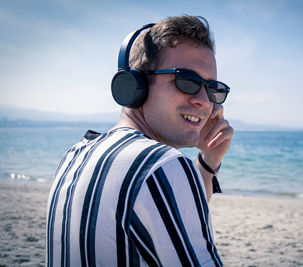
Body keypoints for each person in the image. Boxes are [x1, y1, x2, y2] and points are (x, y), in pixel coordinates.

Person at [46, 15, 233, 266]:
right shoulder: (161, 166)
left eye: (213, 89)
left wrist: (209, 161)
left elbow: (176, 218)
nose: (205, 101)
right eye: (187, 81)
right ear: (136, 84)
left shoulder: (74, 155)